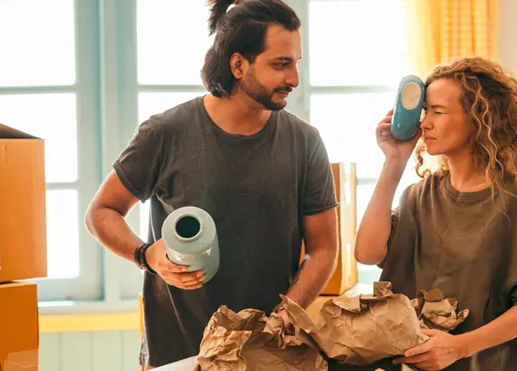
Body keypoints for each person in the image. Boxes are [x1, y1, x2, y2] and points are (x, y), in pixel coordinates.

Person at [84, 0, 339, 368]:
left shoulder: (305, 142)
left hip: (268, 356)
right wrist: (146, 255)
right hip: (178, 356)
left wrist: (286, 315)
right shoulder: (165, 133)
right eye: (280, 64)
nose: (294, 79)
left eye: (296, 63)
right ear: (238, 64)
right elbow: (100, 212)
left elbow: (324, 249)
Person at [355, 57, 517, 371]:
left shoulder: (515, 204)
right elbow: (367, 252)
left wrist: (459, 347)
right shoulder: (418, 196)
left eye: (437, 111)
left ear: (480, 119)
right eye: (424, 110)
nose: (424, 123)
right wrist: (395, 161)